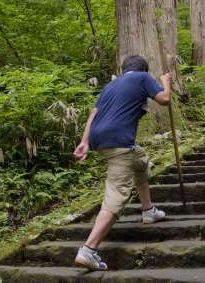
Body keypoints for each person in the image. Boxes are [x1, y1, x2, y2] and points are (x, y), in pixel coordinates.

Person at [72, 55, 172, 271]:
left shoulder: (111, 85)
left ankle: (148, 210)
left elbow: (93, 114)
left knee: (140, 161)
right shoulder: (143, 77)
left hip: (101, 139)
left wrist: (84, 142)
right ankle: (89, 249)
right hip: (118, 141)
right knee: (117, 194)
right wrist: (166, 81)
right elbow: (164, 99)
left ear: (123, 69)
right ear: (143, 69)